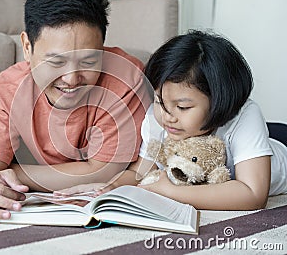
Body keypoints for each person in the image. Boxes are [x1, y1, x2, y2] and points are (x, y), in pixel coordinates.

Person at [0, 0, 150, 223]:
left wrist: (16, 173)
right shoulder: (8, 89)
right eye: (56, 62)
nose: (71, 79)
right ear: (27, 48)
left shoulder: (125, 79)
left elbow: (105, 171)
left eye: (89, 61)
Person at [56, 30, 287, 210]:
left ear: (219, 99)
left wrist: (170, 192)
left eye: (183, 107)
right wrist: (110, 187)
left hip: (278, 143)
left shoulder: (244, 115)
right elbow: (140, 172)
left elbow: (252, 194)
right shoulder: (161, 117)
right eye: (159, 101)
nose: (167, 116)